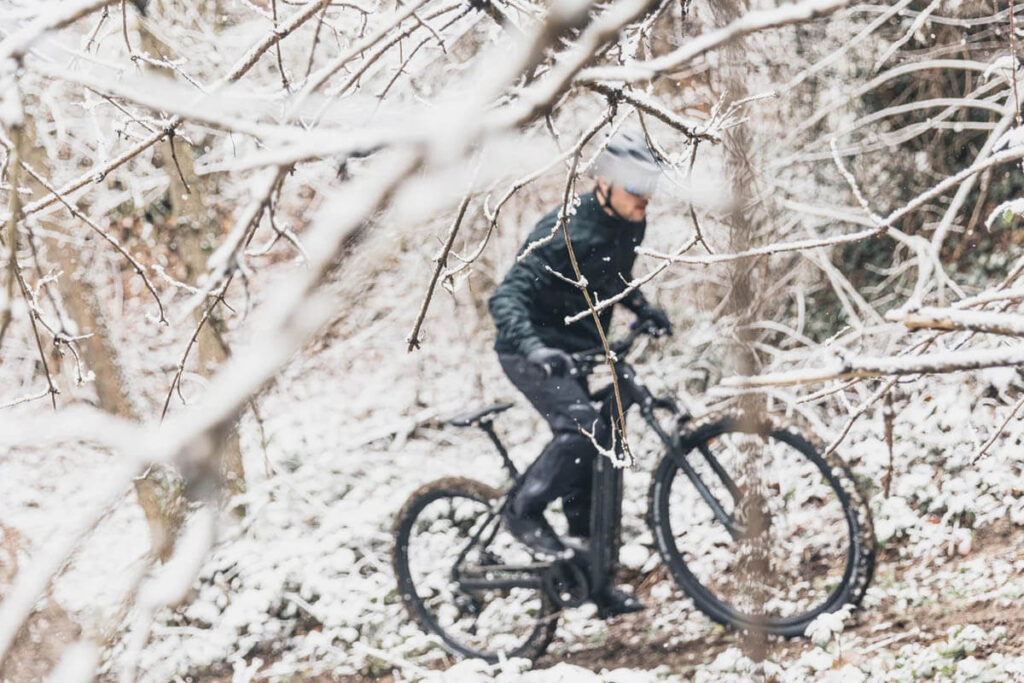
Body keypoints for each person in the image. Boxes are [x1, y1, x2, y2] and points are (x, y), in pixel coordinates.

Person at [488, 128, 672, 618]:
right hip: (530, 349)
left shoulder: (630, 222)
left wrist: (640, 306)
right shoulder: (561, 229)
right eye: (636, 186)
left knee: (603, 458)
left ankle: (595, 582)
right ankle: (521, 511)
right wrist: (534, 347)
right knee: (581, 430)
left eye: (650, 187)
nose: (645, 198)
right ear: (605, 183)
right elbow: (506, 297)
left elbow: (609, 273)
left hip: (585, 347)